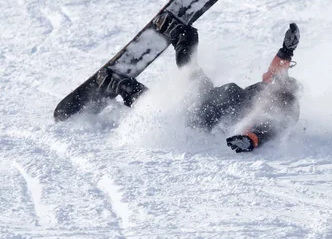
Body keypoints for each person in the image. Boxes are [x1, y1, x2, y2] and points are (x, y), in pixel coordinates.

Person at [108, 22, 302, 153]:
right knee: (194, 75)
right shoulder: (272, 86)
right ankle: (184, 36)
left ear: (285, 95)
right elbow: (276, 70)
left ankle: (121, 85)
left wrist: (249, 140)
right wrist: (287, 49)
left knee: (162, 110)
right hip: (212, 99)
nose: (272, 83)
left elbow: (267, 132)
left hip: (205, 118)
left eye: (278, 86)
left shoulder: (282, 112)